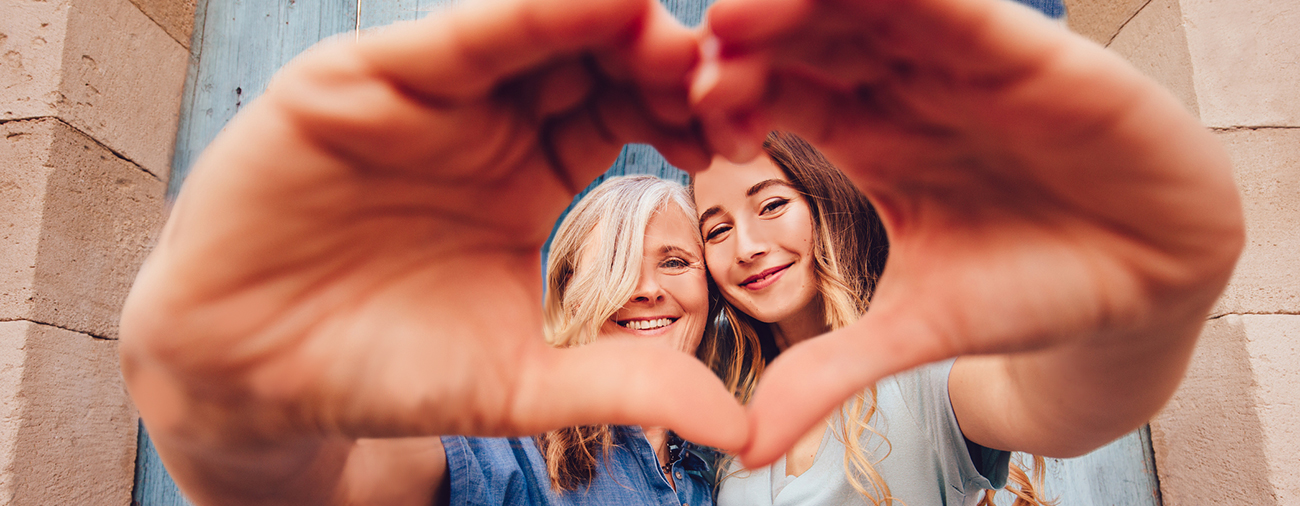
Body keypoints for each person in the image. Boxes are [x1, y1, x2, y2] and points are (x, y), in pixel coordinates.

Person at [116, 0, 1244, 504]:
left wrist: (1142, 295)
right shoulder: (528, 456)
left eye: (760, 208)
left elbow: (1066, 394)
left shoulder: (893, 392)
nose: (727, 252)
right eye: (705, 230)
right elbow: (329, 482)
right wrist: (222, 394)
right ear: (569, 285)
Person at [694, 131, 1049, 505]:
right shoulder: (729, 402)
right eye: (717, 230)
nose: (747, 247)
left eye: (772, 206)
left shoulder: (925, 373)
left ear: (827, 203)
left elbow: (1054, 404)